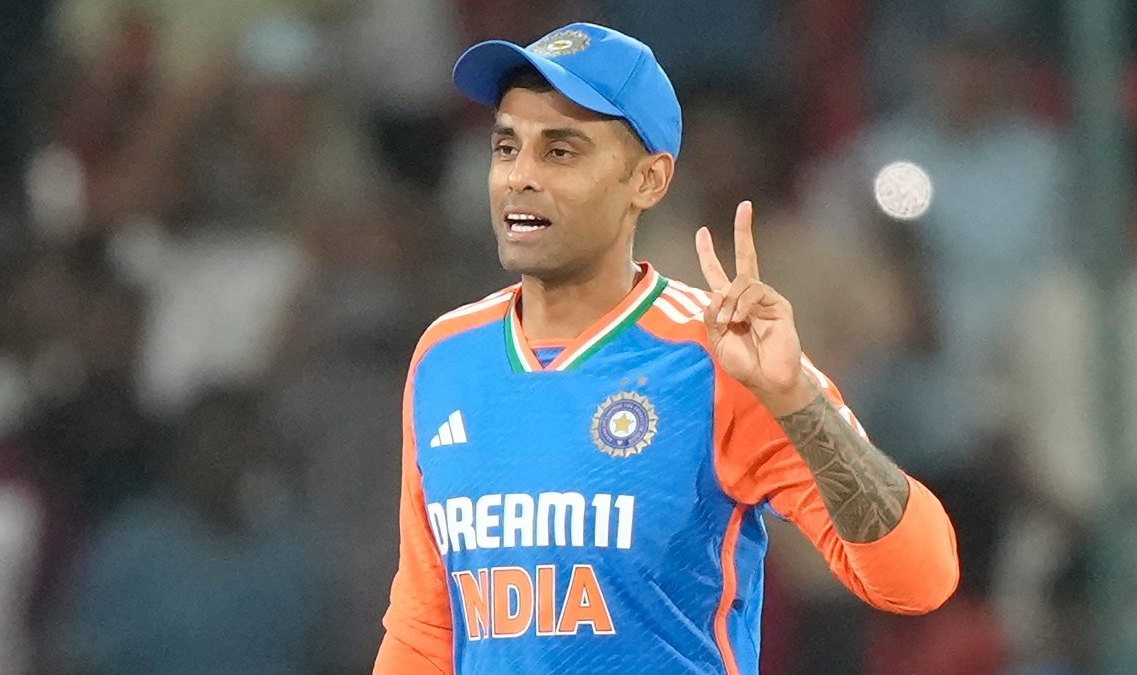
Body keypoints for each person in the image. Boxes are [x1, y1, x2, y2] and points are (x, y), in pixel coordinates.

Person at [375, 22, 959, 675]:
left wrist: (795, 397)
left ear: (648, 181)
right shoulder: (447, 355)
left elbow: (920, 578)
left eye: (561, 152)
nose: (520, 177)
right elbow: (428, 626)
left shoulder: (715, 354)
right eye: (507, 147)